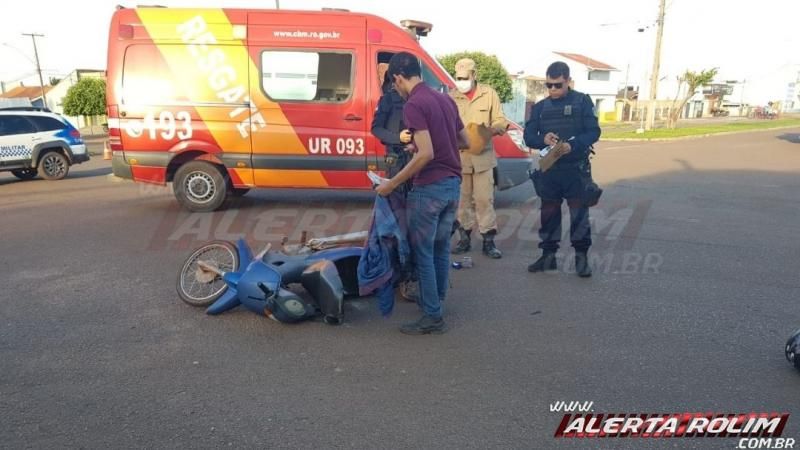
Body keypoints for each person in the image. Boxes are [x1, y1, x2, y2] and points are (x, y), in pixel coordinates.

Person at [375, 52, 469, 335]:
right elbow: (464, 140)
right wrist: (424, 146)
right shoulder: (444, 99)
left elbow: (427, 153)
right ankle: (436, 302)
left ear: (399, 78)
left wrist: (391, 184)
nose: (397, 89)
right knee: (441, 248)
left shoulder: (414, 104)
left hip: (429, 187)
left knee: (423, 253)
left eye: (396, 84)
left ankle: (432, 316)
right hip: (452, 184)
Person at [523, 61, 601, 277]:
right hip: (550, 170)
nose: (552, 90)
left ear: (568, 81)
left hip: (575, 169)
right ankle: (548, 257)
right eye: (549, 85)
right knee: (548, 213)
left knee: (579, 214)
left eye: (557, 85)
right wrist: (542, 138)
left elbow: (593, 132)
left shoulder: (582, 102)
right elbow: (528, 136)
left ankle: (581, 258)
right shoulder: (539, 108)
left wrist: (572, 145)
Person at [449, 58, 508, 259]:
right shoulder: (451, 97)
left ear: (474, 76)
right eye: (458, 78)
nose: (461, 81)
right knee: (462, 202)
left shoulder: (488, 94)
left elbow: (501, 120)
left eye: (465, 78)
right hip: (461, 159)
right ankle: (464, 239)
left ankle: (488, 242)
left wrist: (491, 130)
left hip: (483, 159)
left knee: (484, 201)